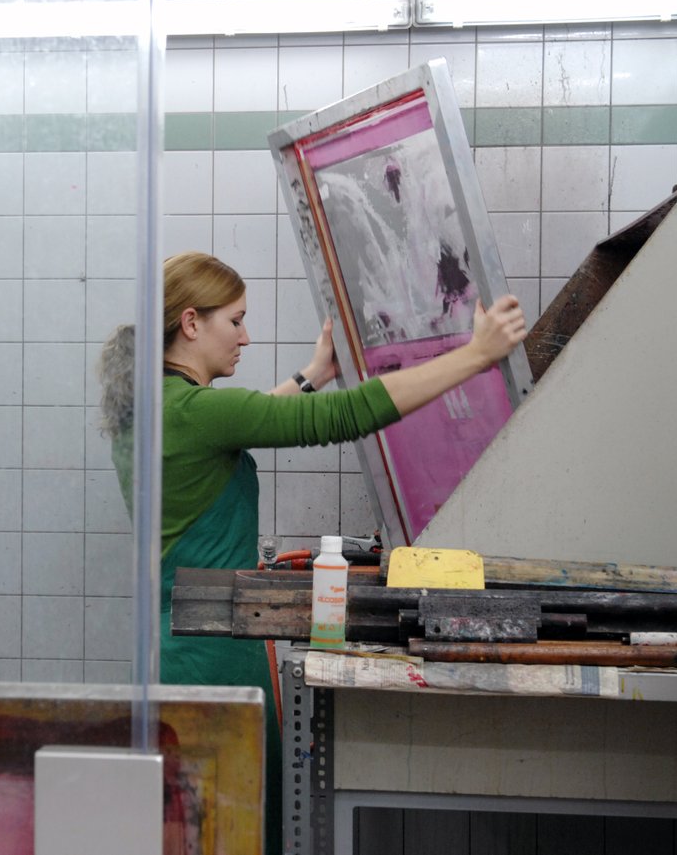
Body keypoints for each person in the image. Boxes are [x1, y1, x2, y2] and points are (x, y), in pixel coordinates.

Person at [97, 251, 527, 855]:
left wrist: (311, 376)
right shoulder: (193, 412)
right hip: (210, 659)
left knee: (192, 831)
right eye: (236, 321)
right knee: (232, 830)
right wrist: (475, 356)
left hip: (172, 650)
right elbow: (344, 417)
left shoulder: (155, 412)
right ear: (191, 323)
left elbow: (244, 424)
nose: (246, 337)